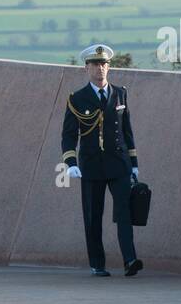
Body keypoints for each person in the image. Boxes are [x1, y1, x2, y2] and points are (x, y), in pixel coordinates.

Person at [60, 44, 143, 277]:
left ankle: (130, 260)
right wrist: (71, 163)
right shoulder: (77, 98)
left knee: (125, 212)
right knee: (93, 215)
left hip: (119, 164)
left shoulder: (119, 93)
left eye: (104, 64)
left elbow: (127, 131)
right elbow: (68, 135)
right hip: (92, 165)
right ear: (87, 68)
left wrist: (134, 163)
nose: (101, 69)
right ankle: (97, 263)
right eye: (96, 64)